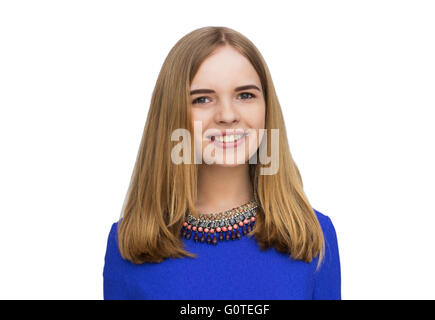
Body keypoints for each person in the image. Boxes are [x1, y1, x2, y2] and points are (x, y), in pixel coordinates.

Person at [103, 26, 341, 300]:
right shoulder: (128, 243)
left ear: (267, 108)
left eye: (245, 95)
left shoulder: (313, 235)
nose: (227, 115)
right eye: (202, 99)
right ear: (172, 115)